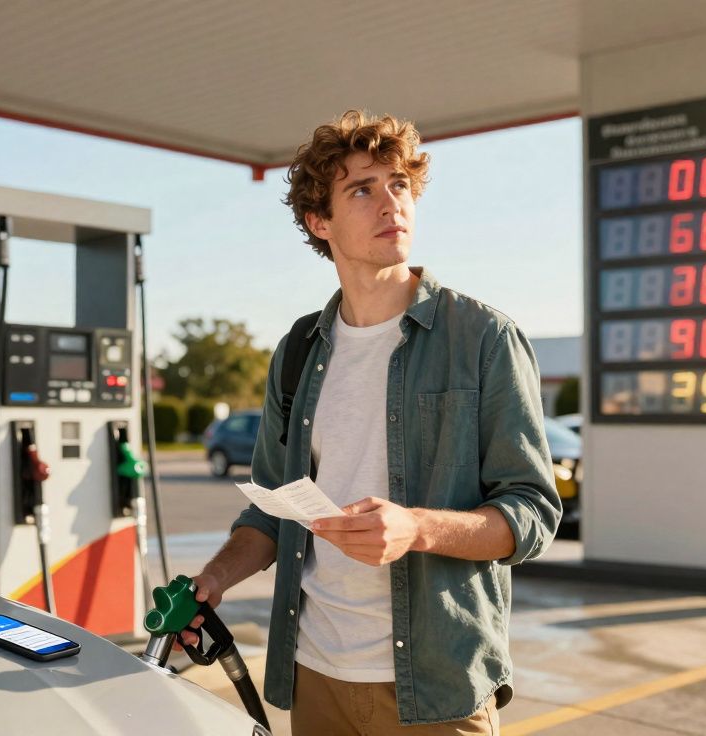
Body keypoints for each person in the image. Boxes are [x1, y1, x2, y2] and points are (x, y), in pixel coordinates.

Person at [178, 110, 561, 734]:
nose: (391, 204)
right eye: (362, 189)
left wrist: (417, 528)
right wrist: (213, 579)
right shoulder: (298, 350)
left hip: (437, 686)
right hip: (315, 675)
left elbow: (533, 513)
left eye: (399, 185)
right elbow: (272, 509)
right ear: (319, 221)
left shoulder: (483, 338)